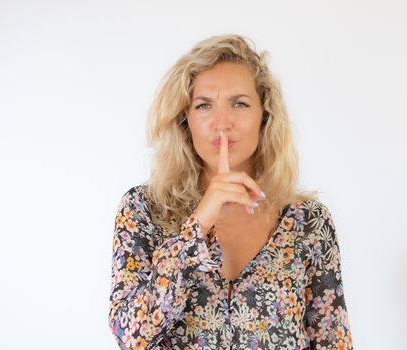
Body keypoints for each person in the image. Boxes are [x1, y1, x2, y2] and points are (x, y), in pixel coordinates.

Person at [108, 34, 353, 349]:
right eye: (204, 105)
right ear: (186, 120)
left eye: (239, 103)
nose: (222, 123)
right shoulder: (144, 210)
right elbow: (131, 336)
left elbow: (333, 340)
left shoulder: (308, 222)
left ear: (264, 116)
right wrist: (198, 225)